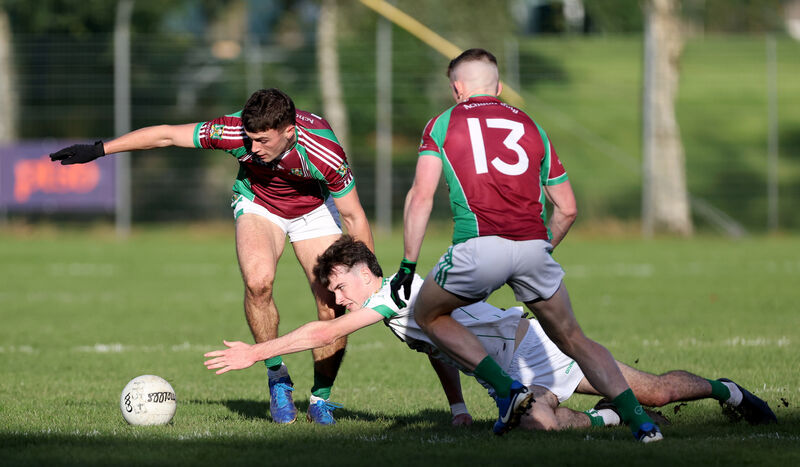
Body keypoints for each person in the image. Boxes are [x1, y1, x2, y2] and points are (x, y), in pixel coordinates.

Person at [202, 236, 778, 431]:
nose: (334, 298)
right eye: (331, 293)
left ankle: (725, 390)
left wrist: (258, 351)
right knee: (540, 426)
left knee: (652, 392)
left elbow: (315, 333)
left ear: (359, 270)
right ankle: (602, 418)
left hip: (535, 349)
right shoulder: (400, 307)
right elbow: (439, 350)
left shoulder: (393, 294)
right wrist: (456, 406)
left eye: (335, 286)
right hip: (513, 372)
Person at [49, 88, 374, 425]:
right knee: (258, 282)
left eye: (263, 140)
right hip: (259, 205)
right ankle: (277, 377)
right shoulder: (231, 131)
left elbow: (354, 217)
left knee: (330, 303)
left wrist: (367, 276)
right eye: (250, 139)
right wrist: (101, 149)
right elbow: (166, 135)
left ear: (289, 131)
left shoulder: (323, 151)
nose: (254, 148)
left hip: (314, 211)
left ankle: (320, 399)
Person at [388, 48, 661, 440]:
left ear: (457, 88)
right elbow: (567, 208)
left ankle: (507, 390)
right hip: (533, 246)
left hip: (478, 248)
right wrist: (541, 248)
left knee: (429, 315)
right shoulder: (531, 126)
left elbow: (420, 196)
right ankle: (643, 424)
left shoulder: (443, 122)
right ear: (498, 86)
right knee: (575, 338)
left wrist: (408, 264)